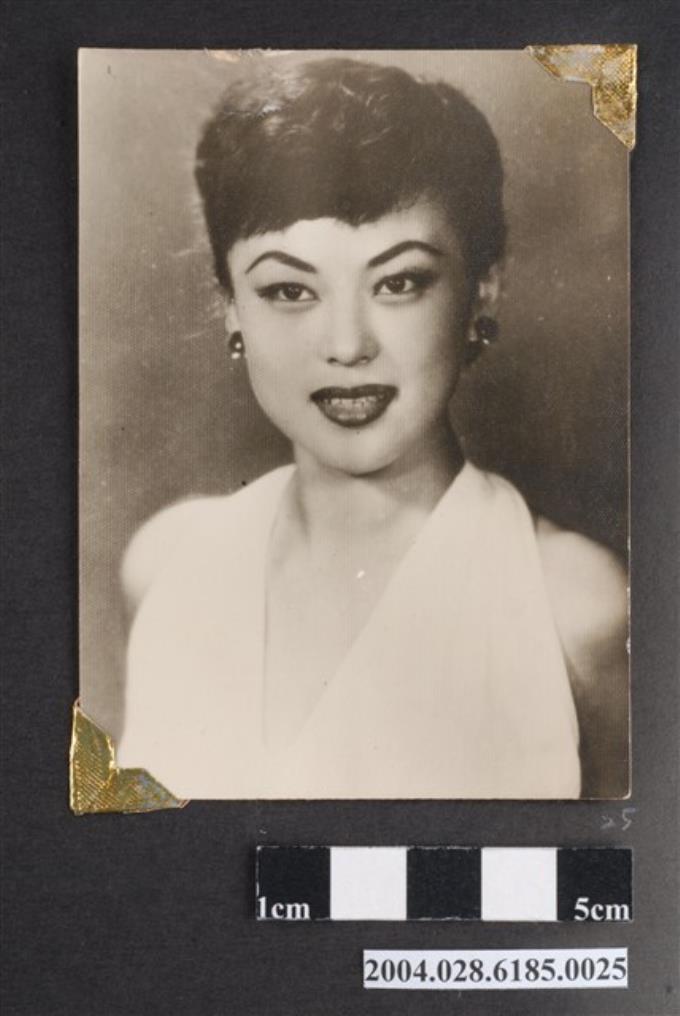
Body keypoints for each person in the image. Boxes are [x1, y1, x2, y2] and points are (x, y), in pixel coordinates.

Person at [115, 56, 628, 800]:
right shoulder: (166, 566)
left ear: (484, 289)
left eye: (398, 282)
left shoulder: (575, 607)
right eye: (289, 290)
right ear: (230, 306)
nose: (347, 344)